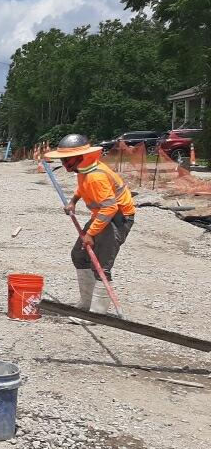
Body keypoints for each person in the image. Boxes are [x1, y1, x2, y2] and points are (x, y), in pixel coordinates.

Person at [43, 134, 136, 315]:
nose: (64, 164)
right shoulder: (84, 170)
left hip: (117, 218)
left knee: (101, 265)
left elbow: (109, 208)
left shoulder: (95, 176)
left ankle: (97, 313)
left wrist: (90, 234)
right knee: (79, 255)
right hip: (102, 216)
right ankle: (86, 303)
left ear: (80, 157)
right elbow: (82, 187)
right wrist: (73, 201)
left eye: (66, 159)